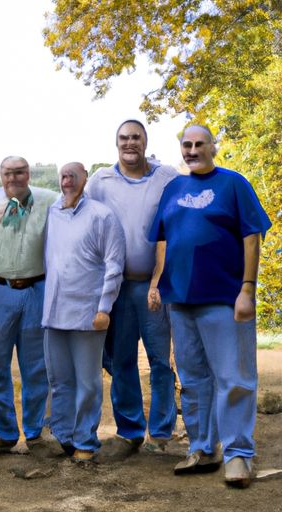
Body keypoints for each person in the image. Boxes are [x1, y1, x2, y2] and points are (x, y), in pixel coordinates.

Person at [148, 125, 271, 488]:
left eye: (200, 143)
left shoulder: (234, 184)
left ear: (213, 147)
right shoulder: (173, 188)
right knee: (193, 380)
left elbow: (252, 236)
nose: (192, 149)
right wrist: (156, 282)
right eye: (186, 144)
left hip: (225, 299)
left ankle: (238, 455)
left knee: (234, 378)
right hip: (181, 300)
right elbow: (164, 239)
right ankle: (203, 448)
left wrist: (247, 289)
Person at [86, 119, 178, 455]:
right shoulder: (101, 181)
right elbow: (87, 221)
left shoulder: (167, 176)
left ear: (145, 141)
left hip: (155, 287)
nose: (130, 144)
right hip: (117, 288)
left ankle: (162, 432)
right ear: (116, 143)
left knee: (160, 361)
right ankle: (130, 430)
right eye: (124, 138)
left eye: (135, 138)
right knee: (121, 360)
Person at [42, 162, 125, 462]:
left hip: (88, 314)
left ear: (85, 179)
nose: (67, 181)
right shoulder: (52, 212)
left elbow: (115, 265)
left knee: (88, 382)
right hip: (54, 312)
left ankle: (86, 441)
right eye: (63, 176)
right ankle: (64, 437)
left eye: (73, 176)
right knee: (60, 380)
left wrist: (104, 307)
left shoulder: (101, 216)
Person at [0, 156, 57, 454]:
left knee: (36, 367)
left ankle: (36, 433)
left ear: (29, 174)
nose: (13, 178)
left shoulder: (49, 200)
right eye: (7, 173)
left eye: (19, 172)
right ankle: (5, 432)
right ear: (0, 176)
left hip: (36, 289)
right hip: (0, 290)